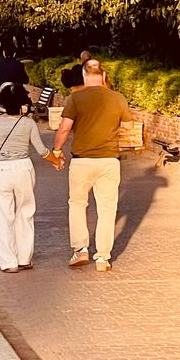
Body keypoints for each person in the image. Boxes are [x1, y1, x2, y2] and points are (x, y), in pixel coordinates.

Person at [49, 58, 131, 271]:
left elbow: (65, 128)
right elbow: (129, 128)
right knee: (107, 209)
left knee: (77, 204)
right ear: (103, 76)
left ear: (84, 76)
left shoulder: (76, 98)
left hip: (81, 161)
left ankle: (81, 249)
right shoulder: (118, 98)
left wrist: (57, 151)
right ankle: (103, 257)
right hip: (109, 160)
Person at [0, 81, 51, 271]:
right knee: (26, 212)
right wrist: (56, 160)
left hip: (1, 170)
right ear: (22, 103)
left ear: (2, 104)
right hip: (24, 168)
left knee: (3, 216)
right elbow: (41, 150)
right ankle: (24, 258)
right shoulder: (28, 123)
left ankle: (8, 262)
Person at [0, 47, 27, 119]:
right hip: (14, 93)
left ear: (4, 53)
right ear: (14, 54)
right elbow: (25, 80)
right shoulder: (19, 65)